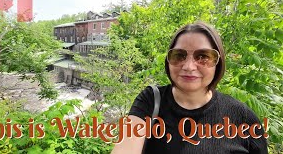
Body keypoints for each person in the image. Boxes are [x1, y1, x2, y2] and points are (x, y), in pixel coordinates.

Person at [111, 22, 268, 154]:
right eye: (179, 55)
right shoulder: (150, 101)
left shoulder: (243, 119)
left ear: (218, 62)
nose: (189, 66)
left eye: (203, 57)